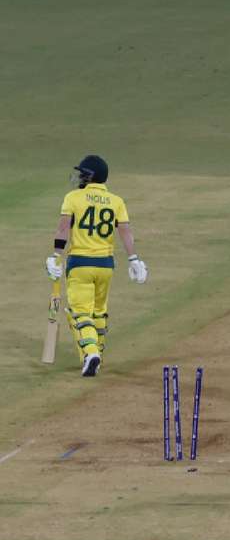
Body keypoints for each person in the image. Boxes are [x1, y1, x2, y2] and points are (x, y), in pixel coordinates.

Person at [44, 155, 147, 377]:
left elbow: (63, 229)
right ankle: (95, 355)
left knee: (79, 313)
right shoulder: (116, 201)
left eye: (82, 173)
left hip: (80, 263)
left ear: (89, 176)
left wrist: (55, 255)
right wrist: (134, 259)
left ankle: (91, 353)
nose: (79, 176)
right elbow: (125, 231)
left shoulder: (73, 197)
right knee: (99, 313)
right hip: (106, 265)